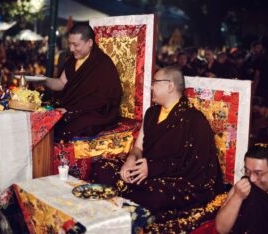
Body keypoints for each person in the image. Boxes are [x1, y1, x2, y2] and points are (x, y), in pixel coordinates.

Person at [91, 66, 223, 233]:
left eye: (155, 83)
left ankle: (122, 209)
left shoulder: (194, 120)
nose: (151, 87)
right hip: (143, 169)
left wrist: (153, 168)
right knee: (102, 167)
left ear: (169, 86)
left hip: (172, 178)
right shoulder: (152, 113)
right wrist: (131, 160)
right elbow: (138, 147)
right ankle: (122, 204)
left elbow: (197, 166)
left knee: (154, 196)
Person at [44, 23, 122, 142]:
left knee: (79, 125)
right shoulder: (73, 60)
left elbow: (104, 99)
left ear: (89, 43)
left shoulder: (103, 63)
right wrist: (43, 80)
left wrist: (72, 111)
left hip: (96, 111)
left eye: (75, 45)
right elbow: (61, 83)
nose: (71, 49)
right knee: (47, 113)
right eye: (70, 44)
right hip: (71, 107)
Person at [215, 144, 268, 234]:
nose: (252, 179)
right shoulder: (243, 187)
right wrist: (237, 197)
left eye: (258, 173)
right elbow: (221, 228)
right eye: (247, 171)